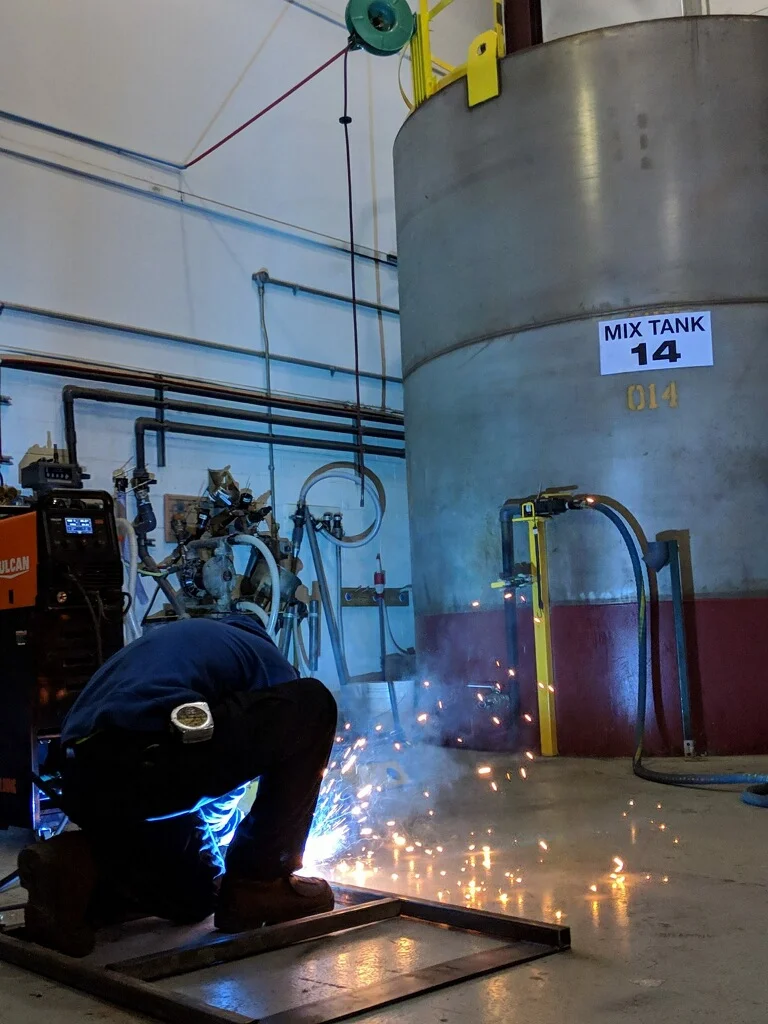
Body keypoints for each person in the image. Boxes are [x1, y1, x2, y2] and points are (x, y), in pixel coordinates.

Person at [18, 614, 338, 957]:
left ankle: (76, 869)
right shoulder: (265, 657)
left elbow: (217, 754)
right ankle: (259, 882)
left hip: (84, 782)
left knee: (197, 894)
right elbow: (257, 751)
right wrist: (243, 843)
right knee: (313, 705)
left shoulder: (174, 643)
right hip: (151, 757)